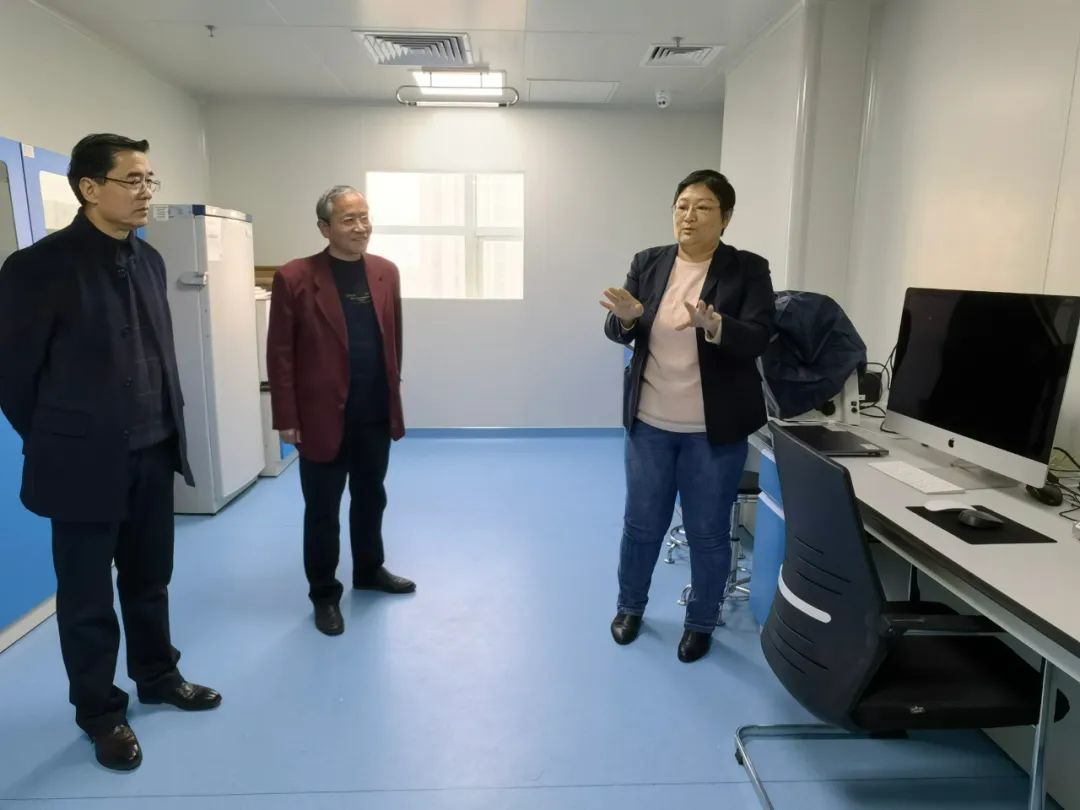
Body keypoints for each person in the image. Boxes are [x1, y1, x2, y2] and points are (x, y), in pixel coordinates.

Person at [0, 134, 221, 771]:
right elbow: (13, 376)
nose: (146, 192)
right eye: (133, 180)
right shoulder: (39, 267)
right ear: (89, 188)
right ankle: (100, 712)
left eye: (151, 179)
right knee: (88, 598)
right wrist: (58, 438)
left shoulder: (149, 260)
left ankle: (158, 675)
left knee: (150, 580)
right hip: (81, 464)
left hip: (152, 451)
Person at [601, 169, 774, 663]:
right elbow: (619, 327)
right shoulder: (649, 262)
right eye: (682, 205)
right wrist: (627, 319)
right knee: (641, 526)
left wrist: (717, 326)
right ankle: (630, 608)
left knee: (708, 533)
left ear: (726, 217)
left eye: (702, 207)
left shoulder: (747, 269)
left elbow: (759, 336)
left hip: (712, 432)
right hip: (650, 423)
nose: (689, 216)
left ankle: (700, 623)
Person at [267, 185, 414, 637]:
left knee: (371, 497)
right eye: (349, 219)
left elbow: (394, 340)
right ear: (324, 228)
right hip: (320, 417)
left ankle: (369, 570)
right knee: (323, 509)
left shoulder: (386, 272)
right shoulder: (295, 276)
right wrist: (286, 417)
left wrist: (393, 396)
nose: (360, 227)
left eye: (364, 217)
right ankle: (324, 594)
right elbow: (280, 353)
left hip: (373, 411)